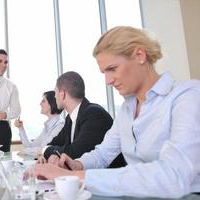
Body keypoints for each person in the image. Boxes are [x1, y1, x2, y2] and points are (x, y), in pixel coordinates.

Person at [34, 26, 200, 198]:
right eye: (104, 72)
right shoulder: (127, 110)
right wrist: (77, 164)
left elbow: (173, 176)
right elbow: (103, 154)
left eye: (112, 69)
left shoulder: (187, 96)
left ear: (140, 55)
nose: (108, 80)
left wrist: (76, 176)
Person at [40, 71, 125, 168]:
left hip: (107, 179)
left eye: (55, 93)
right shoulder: (70, 118)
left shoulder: (94, 114)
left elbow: (73, 153)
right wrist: (51, 153)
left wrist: (46, 150)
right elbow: (54, 143)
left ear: (62, 94)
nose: (54, 97)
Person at [14, 91, 64, 155]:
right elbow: (30, 146)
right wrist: (21, 128)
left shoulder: (60, 125)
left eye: (43, 101)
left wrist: (25, 151)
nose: (40, 104)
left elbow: (43, 149)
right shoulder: (48, 126)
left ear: (51, 103)